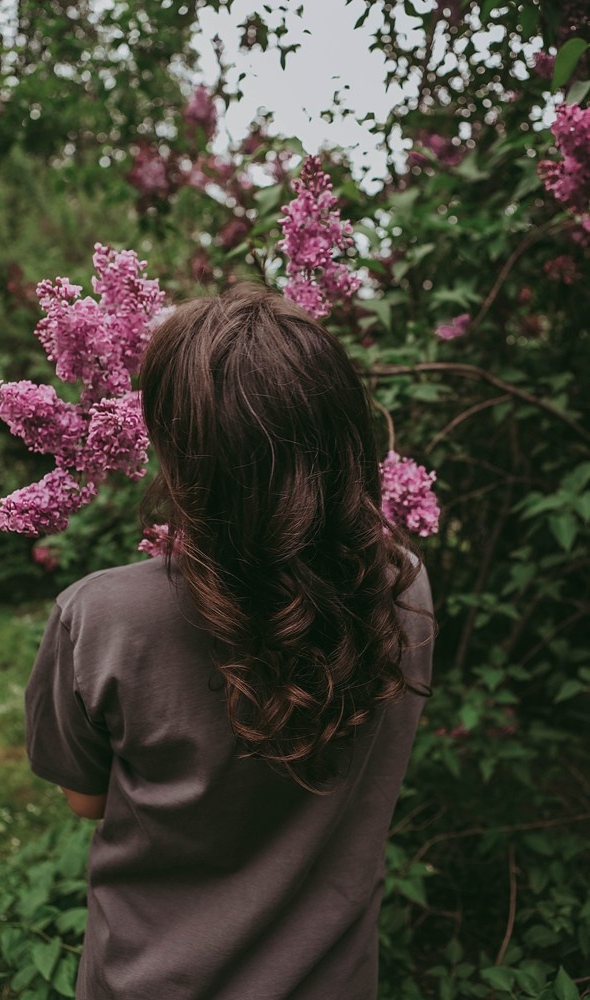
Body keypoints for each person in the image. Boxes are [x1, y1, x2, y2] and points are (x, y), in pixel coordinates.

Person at [25, 283, 434, 1000]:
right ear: (344, 429)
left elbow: (85, 802)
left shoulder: (101, 617)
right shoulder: (406, 589)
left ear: (177, 445)